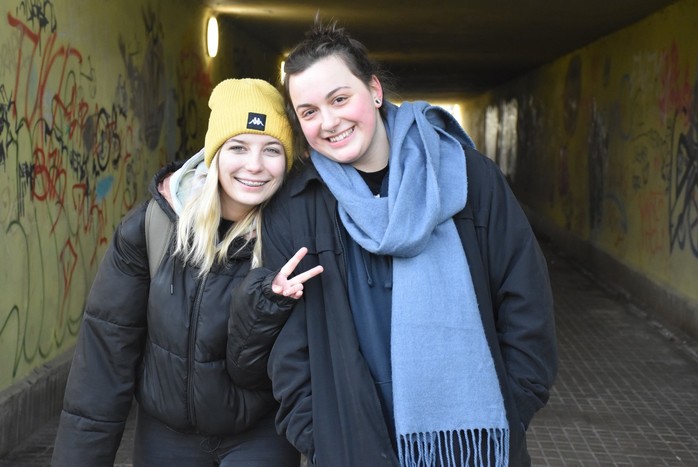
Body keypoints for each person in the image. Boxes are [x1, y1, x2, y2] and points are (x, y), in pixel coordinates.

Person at [242, 18, 558, 467]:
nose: (329, 122)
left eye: (339, 98)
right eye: (309, 112)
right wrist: (320, 438)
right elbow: (287, 347)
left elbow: (526, 301)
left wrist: (511, 409)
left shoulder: (468, 177)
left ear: (374, 90)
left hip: (473, 445)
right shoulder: (297, 206)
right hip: (352, 449)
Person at [51, 78, 322, 467]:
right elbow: (105, 357)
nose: (255, 165)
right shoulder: (154, 227)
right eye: (238, 147)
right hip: (166, 435)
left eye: (272, 150)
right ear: (214, 154)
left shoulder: (299, 237)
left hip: (260, 433)